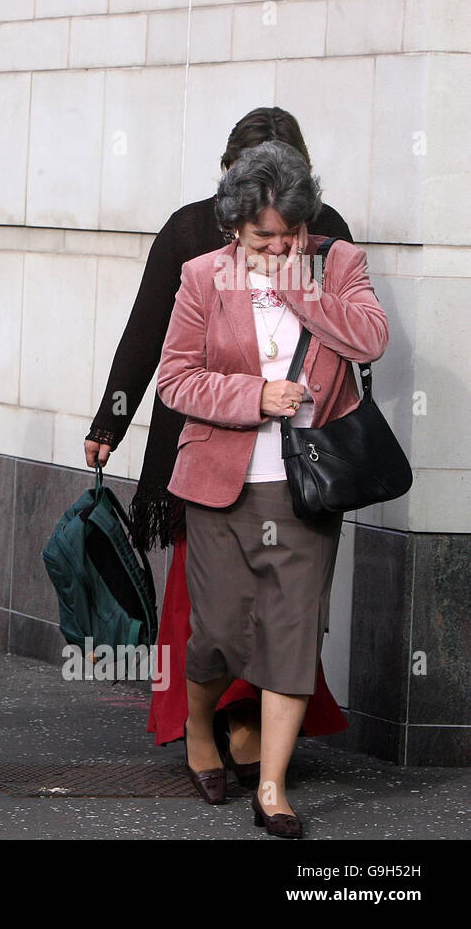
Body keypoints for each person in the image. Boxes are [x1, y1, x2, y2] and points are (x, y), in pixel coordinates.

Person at [84, 107, 352, 773]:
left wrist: (108, 426)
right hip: (205, 440)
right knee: (214, 604)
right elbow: (151, 335)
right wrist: (109, 421)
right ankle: (220, 718)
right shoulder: (192, 230)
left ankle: (250, 728)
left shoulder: (325, 234)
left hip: (297, 452)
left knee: (279, 605)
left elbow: (351, 337)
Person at [157, 140, 388, 837]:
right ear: (234, 228)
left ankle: (273, 788)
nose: (283, 244)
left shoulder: (337, 263)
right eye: (266, 237)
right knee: (219, 634)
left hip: (308, 486)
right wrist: (255, 396)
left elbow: (371, 338)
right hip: (220, 481)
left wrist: (301, 289)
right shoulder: (202, 276)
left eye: (293, 232)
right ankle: (201, 731)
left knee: (291, 638)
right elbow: (174, 378)